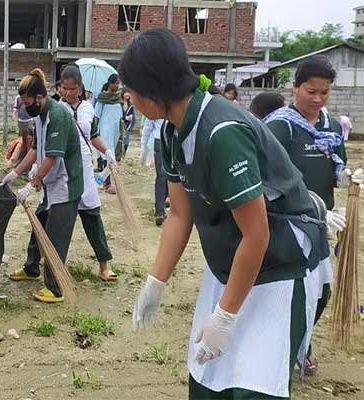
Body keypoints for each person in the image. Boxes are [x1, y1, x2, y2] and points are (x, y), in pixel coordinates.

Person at [126, 29, 327, 399]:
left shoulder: (222, 132)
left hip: (278, 266)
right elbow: (179, 216)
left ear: (153, 97)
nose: (130, 99)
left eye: (132, 92)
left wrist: (226, 316)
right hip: (231, 261)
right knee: (209, 379)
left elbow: (257, 235)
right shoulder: (172, 132)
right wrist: (156, 282)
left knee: (254, 384)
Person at [264, 55, 362, 375]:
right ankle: (291, 350)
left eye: (325, 92)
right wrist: (312, 203)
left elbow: (335, 163)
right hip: (288, 223)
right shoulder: (280, 126)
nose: (318, 99)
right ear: (294, 88)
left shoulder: (332, 126)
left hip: (324, 224)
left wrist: (345, 179)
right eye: (311, 91)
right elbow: (268, 179)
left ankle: (299, 343)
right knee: (293, 293)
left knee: (321, 292)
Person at [0, 68, 83, 303]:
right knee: (39, 227)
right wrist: (15, 172)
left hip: (66, 185)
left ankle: (55, 287)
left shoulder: (57, 115)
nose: (27, 107)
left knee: (56, 237)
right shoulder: (40, 117)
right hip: (51, 183)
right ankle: (31, 268)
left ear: (39, 98)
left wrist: (32, 183)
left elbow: (52, 157)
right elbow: (36, 150)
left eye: (28, 102)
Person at [59, 66, 117, 281]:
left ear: (80, 88)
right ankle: (43, 263)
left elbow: (93, 136)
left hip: (84, 167)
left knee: (92, 215)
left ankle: (104, 264)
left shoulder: (88, 109)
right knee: (56, 218)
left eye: (72, 88)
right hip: (63, 170)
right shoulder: (57, 109)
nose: (68, 93)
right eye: (64, 88)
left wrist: (107, 151)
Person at [94, 74, 123, 193]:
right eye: (115, 83)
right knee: (108, 155)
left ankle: (101, 180)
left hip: (115, 131)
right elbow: (96, 116)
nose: (117, 85)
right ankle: (107, 184)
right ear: (110, 83)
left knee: (113, 156)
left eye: (118, 83)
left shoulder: (117, 98)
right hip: (105, 130)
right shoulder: (102, 99)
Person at [140, 117, 167, 226]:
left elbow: (148, 127)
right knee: (165, 176)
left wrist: (144, 148)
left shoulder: (156, 102)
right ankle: (160, 210)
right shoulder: (156, 103)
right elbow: (148, 126)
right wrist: (144, 148)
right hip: (162, 141)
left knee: (163, 177)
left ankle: (161, 209)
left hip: (165, 140)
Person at [120, 88, 136, 158]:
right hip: (120, 125)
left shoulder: (131, 106)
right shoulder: (119, 104)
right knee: (120, 141)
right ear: (122, 94)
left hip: (127, 126)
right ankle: (119, 154)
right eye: (126, 92)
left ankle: (123, 155)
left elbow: (133, 116)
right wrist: (125, 117)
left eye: (129, 93)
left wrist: (130, 119)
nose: (127, 94)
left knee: (126, 141)